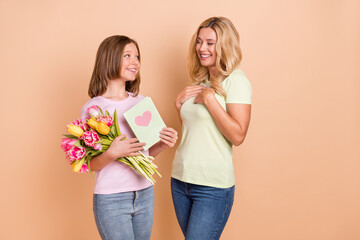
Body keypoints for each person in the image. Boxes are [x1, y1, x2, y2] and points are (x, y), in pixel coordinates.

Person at [80, 35, 178, 240]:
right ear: (109, 58)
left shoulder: (141, 103)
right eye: (127, 55)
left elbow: (144, 153)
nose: (135, 62)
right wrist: (113, 153)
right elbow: (90, 164)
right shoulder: (94, 109)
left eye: (137, 56)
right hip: (111, 199)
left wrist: (162, 144)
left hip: (144, 193)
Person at [171, 17, 252, 239]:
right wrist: (178, 106)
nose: (201, 48)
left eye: (210, 42)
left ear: (224, 45)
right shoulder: (199, 81)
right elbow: (197, 133)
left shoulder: (236, 80)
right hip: (180, 180)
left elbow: (238, 135)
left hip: (212, 187)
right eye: (199, 42)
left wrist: (210, 100)